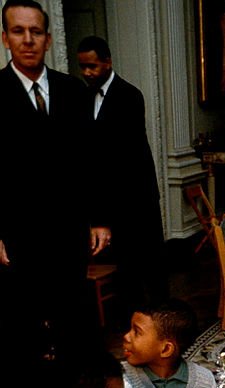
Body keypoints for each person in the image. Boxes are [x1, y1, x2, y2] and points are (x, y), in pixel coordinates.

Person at [0, 1, 111, 388]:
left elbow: (92, 161)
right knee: (22, 329)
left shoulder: (72, 91)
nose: (27, 40)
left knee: (74, 326)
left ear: (48, 39)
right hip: (18, 236)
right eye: (18, 31)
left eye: (35, 31)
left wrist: (99, 218)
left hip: (69, 233)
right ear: (6, 37)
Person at [77, 35, 166, 314]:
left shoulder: (129, 96)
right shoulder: (83, 97)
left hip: (136, 194)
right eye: (82, 67)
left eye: (92, 66)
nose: (87, 72)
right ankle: (132, 320)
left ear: (107, 62)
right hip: (107, 198)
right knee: (125, 267)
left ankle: (162, 320)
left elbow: (124, 154)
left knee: (149, 263)